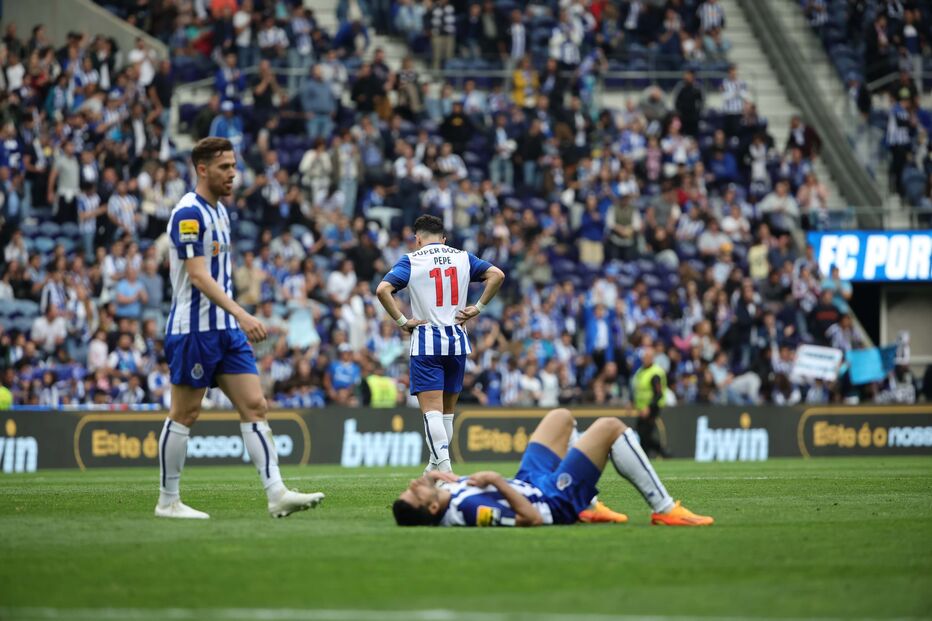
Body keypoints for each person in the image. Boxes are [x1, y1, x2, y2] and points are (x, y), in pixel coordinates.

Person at [157, 137, 323, 520]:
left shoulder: (221, 212)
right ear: (202, 169)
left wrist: (234, 317)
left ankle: (276, 493)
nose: (233, 174)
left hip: (226, 330)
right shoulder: (188, 213)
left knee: (255, 404)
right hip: (194, 329)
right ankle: (168, 500)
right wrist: (243, 313)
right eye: (224, 167)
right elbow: (197, 276)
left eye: (234, 166)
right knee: (185, 413)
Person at [392, 408, 713, 527]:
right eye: (415, 493)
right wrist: (495, 480)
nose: (413, 484)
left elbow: (447, 490)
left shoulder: (446, 496)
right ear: (432, 507)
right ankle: (665, 509)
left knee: (560, 417)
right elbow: (530, 518)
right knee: (611, 427)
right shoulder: (471, 511)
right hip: (549, 499)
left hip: (529, 480)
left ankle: (588, 506)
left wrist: (440, 477)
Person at [376, 215, 505, 474]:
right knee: (447, 413)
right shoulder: (463, 257)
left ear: (417, 238)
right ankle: (434, 469)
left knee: (432, 412)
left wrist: (402, 321)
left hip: (426, 342)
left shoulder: (411, 260)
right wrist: (478, 308)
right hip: (457, 342)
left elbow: (382, 290)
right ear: (444, 238)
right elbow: (497, 275)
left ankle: (445, 470)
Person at [632, 346, 670, 458]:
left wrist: (649, 407)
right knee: (642, 433)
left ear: (652, 358)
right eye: (643, 357)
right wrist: (632, 402)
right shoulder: (641, 371)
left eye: (647, 357)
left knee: (644, 434)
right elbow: (637, 389)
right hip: (642, 407)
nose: (644, 359)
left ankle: (663, 452)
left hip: (652, 407)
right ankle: (652, 455)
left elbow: (658, 394)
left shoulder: (655, 373)